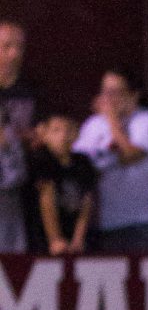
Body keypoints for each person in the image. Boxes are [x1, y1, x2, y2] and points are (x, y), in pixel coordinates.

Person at [74, 70, 148, 252]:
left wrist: (111, 119)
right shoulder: (93, 125)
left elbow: (132, 154)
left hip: (138, 222)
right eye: (105, 92)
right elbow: (81, 165)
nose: (108, 99)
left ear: (133, 95)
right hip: (102, 222)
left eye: (115, 92)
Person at [30, 112, 100, 256]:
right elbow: (47, 200)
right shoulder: (41, 160)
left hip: (75, 237)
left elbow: (87, 202)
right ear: (45, 135)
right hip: (43, 240)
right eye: (56, 130)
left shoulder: (83, 162)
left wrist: (78, 239)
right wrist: (55, 239)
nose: (63, 136)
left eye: (68, 130)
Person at [0, 19, 36, 253]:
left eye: (19, 47)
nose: (14, 54)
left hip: (14, 190)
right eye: (6, 47)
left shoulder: (29, 92)